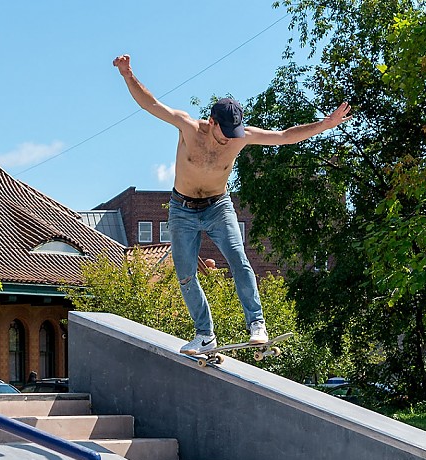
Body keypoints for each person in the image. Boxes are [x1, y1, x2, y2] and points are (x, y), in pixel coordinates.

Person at [113, 54, 351, 354]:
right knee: (185, 275)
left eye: (233, 135)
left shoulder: (240, 137)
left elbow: (285, 136)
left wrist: (324, 125)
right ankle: (205, 334)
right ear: (211, 122)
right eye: (224, 134)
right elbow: (151, 104)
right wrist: (127, 74)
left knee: (239, 260)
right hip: (181, 210)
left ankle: (257, 323)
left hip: (218, 207)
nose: (229, 141)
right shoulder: (187, 127)